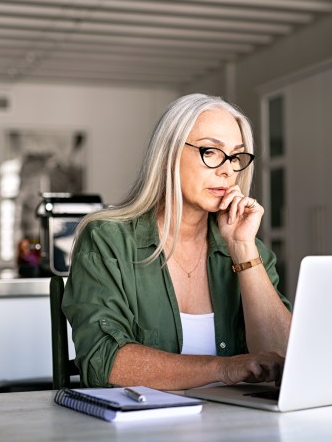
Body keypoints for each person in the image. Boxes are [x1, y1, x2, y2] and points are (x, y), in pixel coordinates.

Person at [63, 93, 292, 390]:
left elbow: (286, 359)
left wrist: (242, 249)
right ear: (168, 153)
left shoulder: (249, 249)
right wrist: (224, 368)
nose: (228, 170)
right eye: (210, 151)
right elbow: (104, 362)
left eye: (236, 156)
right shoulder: (108, 240)